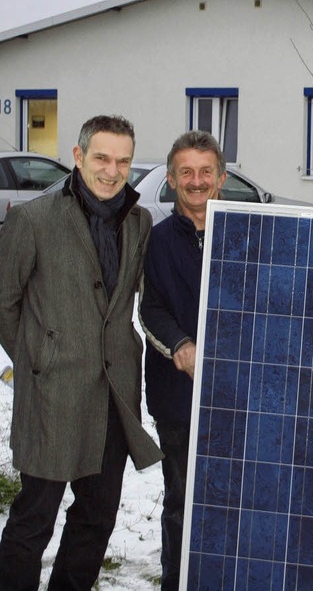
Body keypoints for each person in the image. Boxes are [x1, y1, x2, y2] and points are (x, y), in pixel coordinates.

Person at [0, 115, 163, 590]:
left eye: (123, 161)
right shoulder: (33, 219)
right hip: (53, 398)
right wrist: (39, 359)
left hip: (113, 400)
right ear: (78, 156)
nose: (112, 171)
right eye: (102, 158)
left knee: (95, 520)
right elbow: (4, 302)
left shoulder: (139, 220)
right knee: (34, 520)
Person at [139, 130, 227, 590]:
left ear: (222, 177)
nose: (196, 181)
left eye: (205, 172)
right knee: (181, 501)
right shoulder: (154, 240)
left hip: (239, 397)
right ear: (172, 179)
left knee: (234, 498)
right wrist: (179, 345)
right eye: (186, 172)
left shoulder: (247, 235)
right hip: (176, 397)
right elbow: (149, 307)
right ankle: (177, 582)